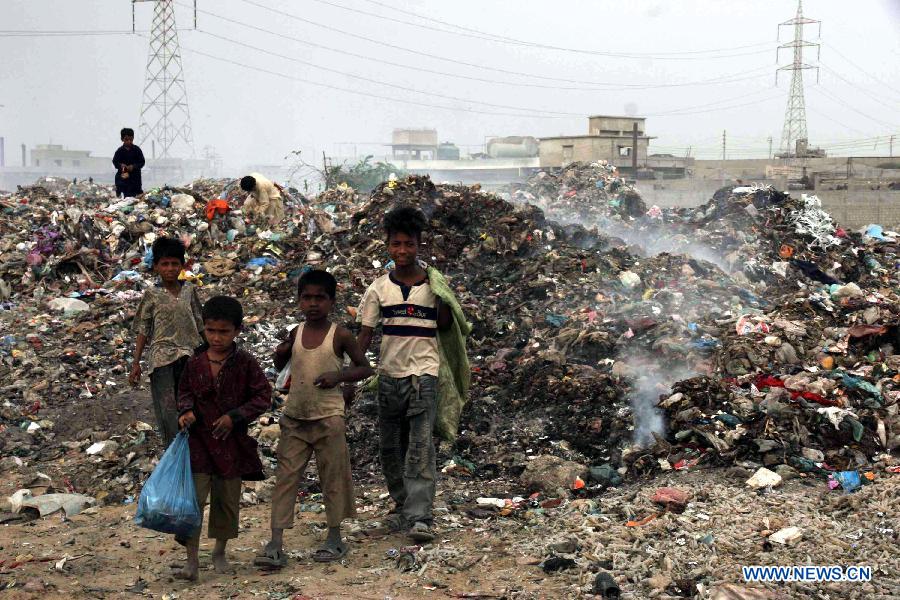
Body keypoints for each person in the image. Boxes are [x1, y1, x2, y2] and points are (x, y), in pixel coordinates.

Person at [255, 270, 373, 568]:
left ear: (332, 301)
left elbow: (364, 368)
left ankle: (335, 538)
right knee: (285, 479)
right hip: (295, 417)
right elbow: (281, 362)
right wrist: (280, 350)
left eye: (320, 297)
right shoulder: (295, 332)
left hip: (328, 417)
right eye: (307, 297)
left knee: (332, 477)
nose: (313, 303)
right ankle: (275, 543)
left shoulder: (341, 335)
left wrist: (338, 376)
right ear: (299, 301)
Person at [355, 206, 453, 543]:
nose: (402, 251)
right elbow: (364, 337)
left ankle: (420, 516)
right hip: (389, 377)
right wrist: (348, 374)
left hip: (424, 376)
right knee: (391, 447)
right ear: (387, 245)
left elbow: (445, 325)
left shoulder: (434, 285)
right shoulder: (379, 289)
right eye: (396, 244)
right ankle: (401, 504)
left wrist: (442, 298)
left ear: (419, 245)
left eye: (408, 244)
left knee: (421, 447)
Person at [175, 296, 271, 581]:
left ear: (237, 331)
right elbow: (183, 393)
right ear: (203, 329)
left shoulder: (244, 363)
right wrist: (185, 412)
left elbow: (262, 396)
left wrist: (236, 416)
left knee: (226, 501)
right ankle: (191, 561)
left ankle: (219, 550)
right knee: (192, 502)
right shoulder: (194, 362)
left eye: (224, 332)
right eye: (211, 331)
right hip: (199, 444)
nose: (216, 338)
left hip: (231, 445)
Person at [130, 237, 204, 446]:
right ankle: (174, 453)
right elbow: (143, 329)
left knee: (191, 407)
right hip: (161, 359)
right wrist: (136, 364)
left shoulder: (189, 290)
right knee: (169, 411)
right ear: (156, 267)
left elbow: (200, 322)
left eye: (174, 264)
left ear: (182, 265)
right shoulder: (151, 294)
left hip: (190, 356)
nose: (170, 268)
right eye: (165, 264)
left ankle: (194, 452)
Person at [113, 128, 146, 198]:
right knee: (124, 196)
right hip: (123, 178)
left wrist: (133, 166)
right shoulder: (119, 151)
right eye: (126, 139)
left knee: (135, 197)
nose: (129, 141)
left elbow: (142, 162)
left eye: (131, 139)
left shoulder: (137, 150)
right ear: (122, 139)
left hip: (135, 179)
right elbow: (115, 162)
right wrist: (121, 166)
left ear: (133, 138)